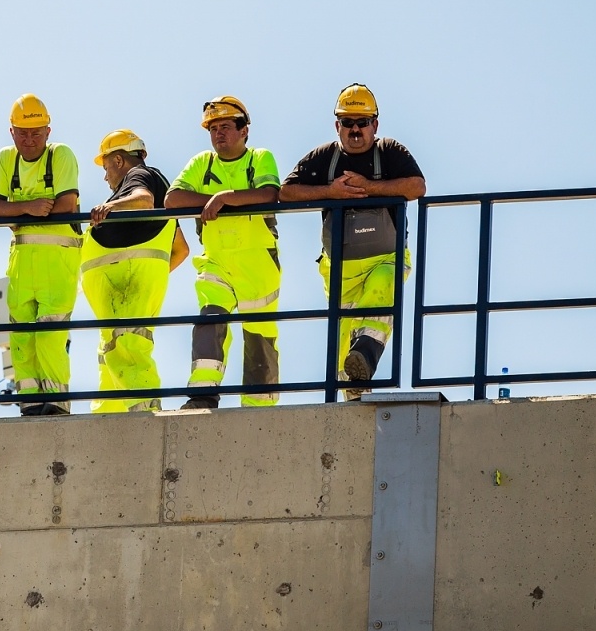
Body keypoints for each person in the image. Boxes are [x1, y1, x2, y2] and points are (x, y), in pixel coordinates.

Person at [281, 84, 425, 398]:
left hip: (385, 257)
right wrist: (329, 192)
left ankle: (366, 358)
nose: (355, 129)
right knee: (342, 338)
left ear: (375, 124)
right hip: (340, 268)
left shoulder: (390, 151)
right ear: (338, 126)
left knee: (383, 287)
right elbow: (287, 192)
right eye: (348, 122)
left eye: (362, 122)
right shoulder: (324, 157)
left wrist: (368, 187)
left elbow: (416, 187)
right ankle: (353, 393)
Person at [164, 97, 281, 409]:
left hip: (257, 262)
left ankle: (259, 409)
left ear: (244, 131)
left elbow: (270, 193)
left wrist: (226, 198)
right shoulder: (203, 163)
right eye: (213, 128)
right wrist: (211, 200)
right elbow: (172, 199)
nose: (218, 133)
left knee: (259, 336)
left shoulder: (259, 158)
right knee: (208, 322)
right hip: (216, 260)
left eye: (226, 127)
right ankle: (202, 394)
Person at [0, 94, 80, 415]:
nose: (29, 140)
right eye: (23, 133)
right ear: (11, 132)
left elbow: (67, 205)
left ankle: (56, 402)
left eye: (36, 133)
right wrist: (31, 207)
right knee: (20, 335)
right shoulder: (4, 160)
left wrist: (14, 212)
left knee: (49, 335)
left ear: (48, 132)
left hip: (58, 263)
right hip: (22, 262)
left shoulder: (61, 156)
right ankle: (30, 402)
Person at [81, 130, 189, 413]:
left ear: (119, 160)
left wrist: (109, 206)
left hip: (127, 283)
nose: (105, 177)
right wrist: (150, 277)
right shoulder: (160, 189)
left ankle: (146, 416)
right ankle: (107, 416)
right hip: (134, 282)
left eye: (105, 167)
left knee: (126, 346)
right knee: (113, 351)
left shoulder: (138, 176)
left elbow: (143, 200)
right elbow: (181, 249)